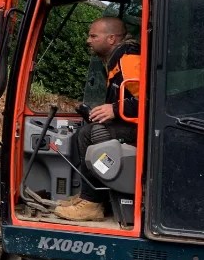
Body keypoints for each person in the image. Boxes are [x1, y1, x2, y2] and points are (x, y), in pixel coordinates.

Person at [54, 17, 141, 222]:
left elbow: (149, 98)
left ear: (111, 38)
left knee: (95, 133)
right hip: (131, 126)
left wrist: (114, 109)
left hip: (142, 131)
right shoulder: (115, 61)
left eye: (93, 36)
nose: (88, 40)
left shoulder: (128, 58)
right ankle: (90, 197)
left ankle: (92, 203)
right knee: (86, 131)